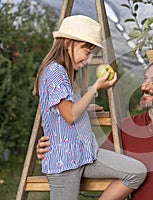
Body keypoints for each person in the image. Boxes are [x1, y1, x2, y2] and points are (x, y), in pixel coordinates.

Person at [37, 50, 153, 200]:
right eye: (145, 79)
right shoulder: (127, 128)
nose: (144, 86)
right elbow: (85, 162)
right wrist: (51, 145)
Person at [32, 15, 146, 200]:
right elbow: (69, 115)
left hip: (86, 154)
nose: (87, 59)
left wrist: (87, 107)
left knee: (136, 172)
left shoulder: (68, 76)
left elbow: (66, 110)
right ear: (69, 43)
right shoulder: (54, 71)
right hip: (64, 162)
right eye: (87, 51)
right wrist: (95, 88)